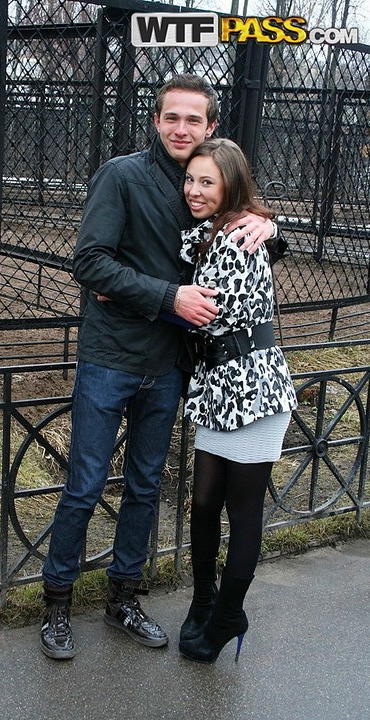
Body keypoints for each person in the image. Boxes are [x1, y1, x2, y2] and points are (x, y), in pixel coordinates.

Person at [40, 74, 277, 660]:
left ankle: (124, 598)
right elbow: (89, 261)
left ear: (211, 127)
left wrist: (274, 229)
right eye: (172, 117)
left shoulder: (208, 185)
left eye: (193, 120)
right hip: (111, 357)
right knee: (86, 482)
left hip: (170, 365)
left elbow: (242, 230)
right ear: (155, 120)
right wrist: (167, 297)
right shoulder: (121, 176)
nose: (181, 129)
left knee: (145, 486)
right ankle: (58, 605)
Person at [177, 138, 298, 664]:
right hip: (217, 384)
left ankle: (228, 614)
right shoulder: (212, 233)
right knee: (204, 502)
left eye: (208, 181)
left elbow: (206, 311)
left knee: (241, 507)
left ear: (231, 185)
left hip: (254, 386)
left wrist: (147, 299)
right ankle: (203, 602)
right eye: (190, 179)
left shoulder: (239, 239)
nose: (195, 190)